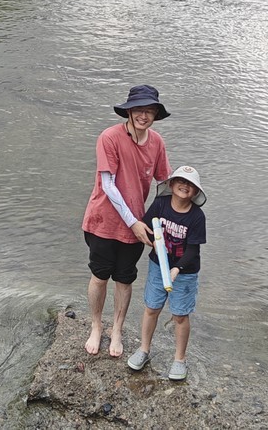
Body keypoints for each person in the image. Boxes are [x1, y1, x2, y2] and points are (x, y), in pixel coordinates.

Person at [81, 85, 172, 358]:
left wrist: (164, 223)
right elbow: (108, 185)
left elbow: (164, 184)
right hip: (102, 220)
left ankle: (117, 329)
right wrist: (133, 221)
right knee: (100, 276)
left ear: (156, 113)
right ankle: (96, 326)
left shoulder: (157, 142)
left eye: (150, 110)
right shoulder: (109, 137)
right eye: (139, 110)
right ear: (129, 112)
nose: (144, 115)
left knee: (125, 278)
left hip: (138, 225)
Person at [125, 165, 207, 381]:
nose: (185, 186)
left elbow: (193, 250)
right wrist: (148, 239)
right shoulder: (161, 204)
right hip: (156, 265)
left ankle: (180, 359)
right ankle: (143, 349)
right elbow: (147, 226)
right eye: (181, 181)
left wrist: (177, 268)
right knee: (152, 307)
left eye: (190, 185)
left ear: (196, 192)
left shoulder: (197, 217)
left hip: (185, 272)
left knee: (180, 314)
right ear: (171, 184)